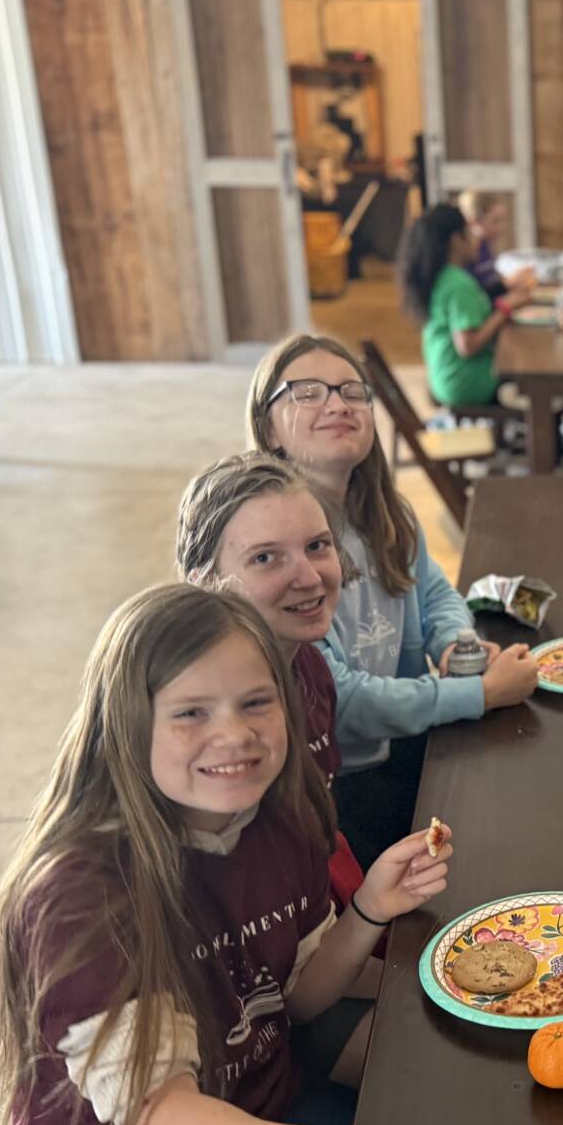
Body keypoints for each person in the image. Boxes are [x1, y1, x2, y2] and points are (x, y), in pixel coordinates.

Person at [0, 583, 476, 1125]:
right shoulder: (82, 892)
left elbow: (298, 997)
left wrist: (363, 913)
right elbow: (156, 1119)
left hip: (255, 1105)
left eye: (256, 703)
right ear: (124, 723)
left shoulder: (281, 813)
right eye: (191, 713)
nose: (234, 735)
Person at [247, 334, 538, 867]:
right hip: (337, 785)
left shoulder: (386, 512)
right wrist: (479, 694)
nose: (337, 403)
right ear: (268, 427)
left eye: (352, 392)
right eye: (308, 392)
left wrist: (456, 642)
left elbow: (432, 590)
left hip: (405, 742)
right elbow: (345, 704)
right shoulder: (286, 558)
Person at [175, 451, 376, 1085]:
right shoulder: (191, 743)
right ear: (203, 580)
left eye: (318, 546)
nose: (310, 577)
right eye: (266, 558)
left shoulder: (310, 667)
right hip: (236, 1019)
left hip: (307, 946)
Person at [399, 203, 525, 410]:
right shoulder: (458, 284)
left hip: (445, 379)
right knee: (534, 377)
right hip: (465, 384)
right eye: (469, 232)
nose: (476, 239)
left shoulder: (443, 276)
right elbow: (467, 346)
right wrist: (505, 309)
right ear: (456, 240)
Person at [453, 191, 534, 300]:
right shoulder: (464, 255)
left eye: (503, 221)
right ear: (474, 222)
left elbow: (491, 281)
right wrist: (508, 284)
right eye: (495, 221)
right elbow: (475, 297)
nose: (501, 228)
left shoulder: (484, 246)